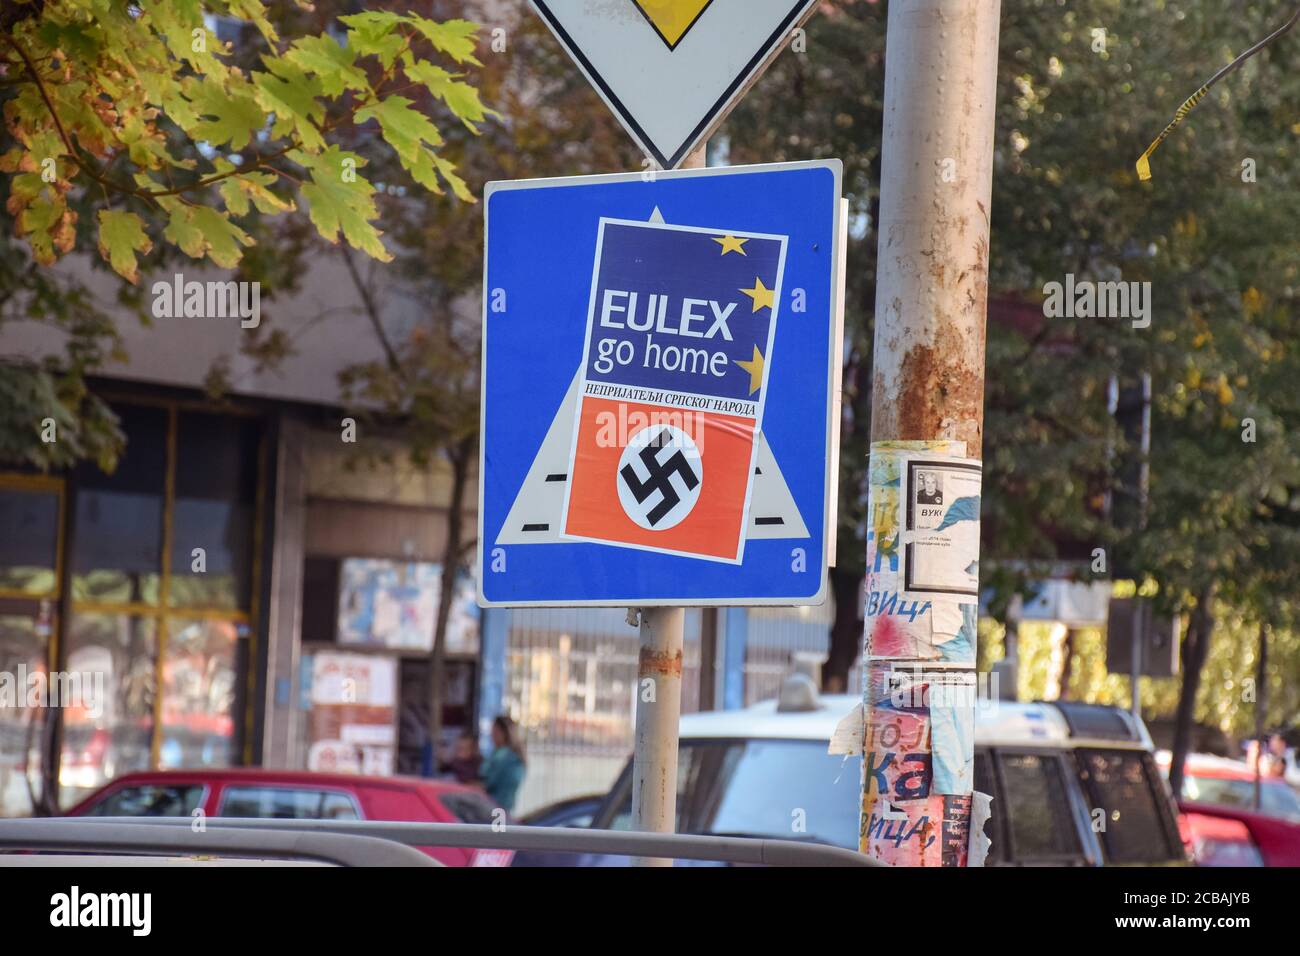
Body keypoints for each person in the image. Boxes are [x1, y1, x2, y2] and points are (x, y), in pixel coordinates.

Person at [480, 715, 526, 813]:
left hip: (492, 809)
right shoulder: (516, 756)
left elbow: (488, 782)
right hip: (505, 810)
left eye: (493, 731)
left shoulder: (502, 756)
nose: (491, 735)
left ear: (501, 733)